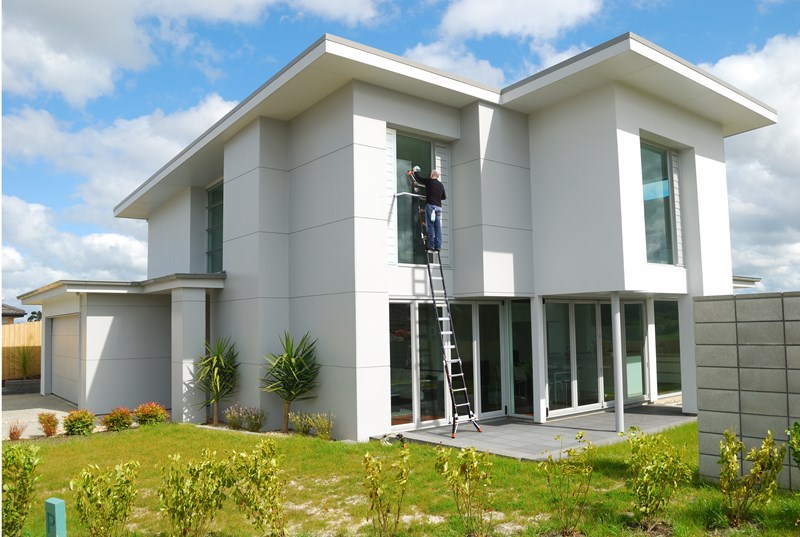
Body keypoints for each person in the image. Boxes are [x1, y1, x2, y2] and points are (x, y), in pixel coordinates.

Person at [407, 166, 446, 252]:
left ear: (432, 175)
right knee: (438, 227)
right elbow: (443, 197)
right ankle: (438, 246)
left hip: (431, 206)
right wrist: (435, 195)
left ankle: (431, 245)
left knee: (431, 226)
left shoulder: (429, 181)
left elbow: (419, 179)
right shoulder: (440, 185)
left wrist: (415, 171)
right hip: (438, 208)